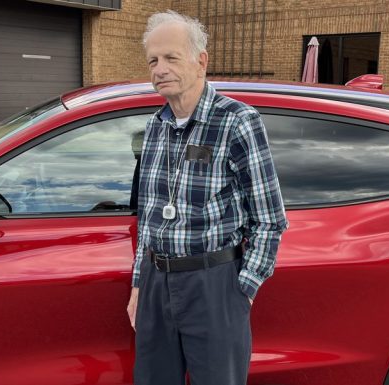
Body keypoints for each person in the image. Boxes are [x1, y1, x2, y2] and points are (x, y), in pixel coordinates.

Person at [126, 10, 288, 385]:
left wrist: (241, 291)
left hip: (213, 282)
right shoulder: (154, 128)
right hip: (156, 282)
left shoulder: (237, 121)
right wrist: (139, 284)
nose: (160, 68)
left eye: (171, 58)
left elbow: (269, 219)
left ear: (201, 62)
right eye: (153, 60)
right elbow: (149, 217)